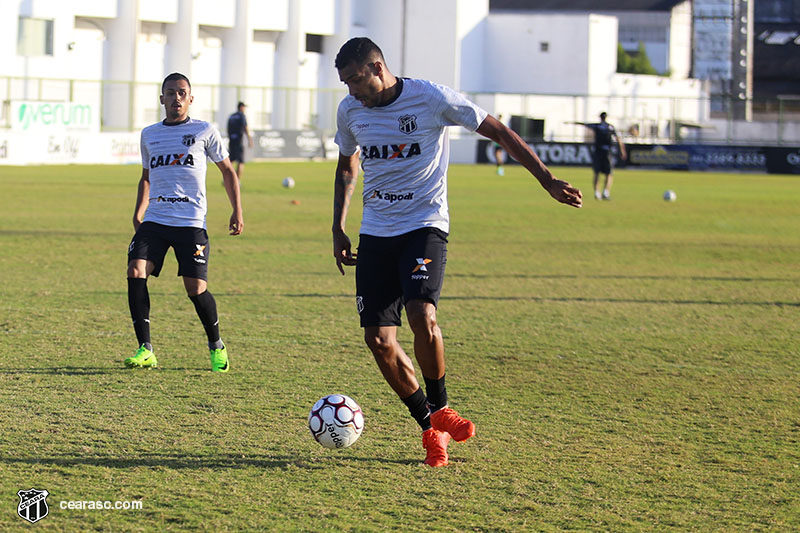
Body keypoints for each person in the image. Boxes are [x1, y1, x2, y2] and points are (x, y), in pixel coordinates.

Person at [331, 37, 582, 467]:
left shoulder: (431, 98)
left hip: (424, 224)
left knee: (422, 315)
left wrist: (547, 180)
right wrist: (338, 226)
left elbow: (498, 130)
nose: (352, 90)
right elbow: (346, 164)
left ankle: (441, 404)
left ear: (377, 68)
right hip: (376, 230)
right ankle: (430, 426)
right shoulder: (350, 110)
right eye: (345, 83)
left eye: (355, 79)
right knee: (378, 340)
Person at [125, 72, 244, 372]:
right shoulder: (149, 134)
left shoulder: (204, 131)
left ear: (190, 98)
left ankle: (216, 345)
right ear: (161, 98)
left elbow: (228, 171)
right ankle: (145, 349)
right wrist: (138, 212)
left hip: (190, 222)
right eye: (170, 93)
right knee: (136, 270)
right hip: (155, 219)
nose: (176, 98)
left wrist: (237, 210)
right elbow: (146, 177)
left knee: (196, 289)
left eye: (181, 93)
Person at [571, 112, 626, 200]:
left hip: (598, 152)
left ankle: (597, 192)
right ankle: (605, 192)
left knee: (597, 173)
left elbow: (585, 124)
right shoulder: (610, 127)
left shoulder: (597, 126)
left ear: (600, 117)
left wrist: (573, 123)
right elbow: (618, 139)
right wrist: (622, 151)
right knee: (609, 173)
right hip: (607, 152)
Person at [227, 101, 253, 180]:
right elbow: (245, 127)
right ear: (241, 107)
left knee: (231, 160)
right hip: (239, 141)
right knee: (241, 161)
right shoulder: (242, 115)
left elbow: (228, 128)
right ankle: (237, 180)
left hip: (231, 141)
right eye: (244, 107)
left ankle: (228, 179)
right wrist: (249, 139)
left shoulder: (231, 116)